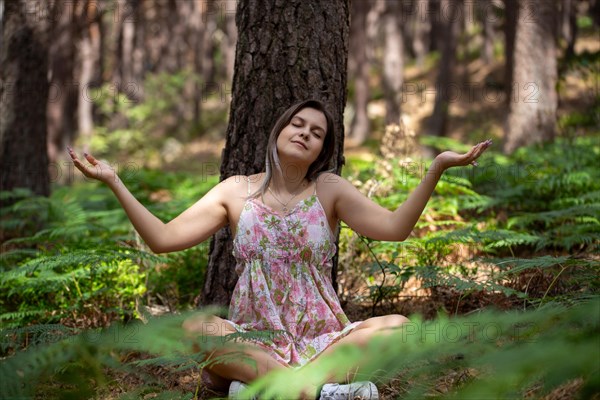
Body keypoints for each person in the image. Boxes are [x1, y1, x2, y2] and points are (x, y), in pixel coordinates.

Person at [68, 99, 491, 399]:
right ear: (280, 131)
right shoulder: (236, 191)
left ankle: (260, 391)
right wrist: (113, 181)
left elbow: (396, 228)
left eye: (317, 133)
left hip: (325, 343)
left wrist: (436, 167)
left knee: (400, 326)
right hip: (255, 341)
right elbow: (162, 240)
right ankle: (319, 394)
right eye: (298, 125)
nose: (305, 134)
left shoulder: (329, 189)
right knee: (195, 330)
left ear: (323, 150)